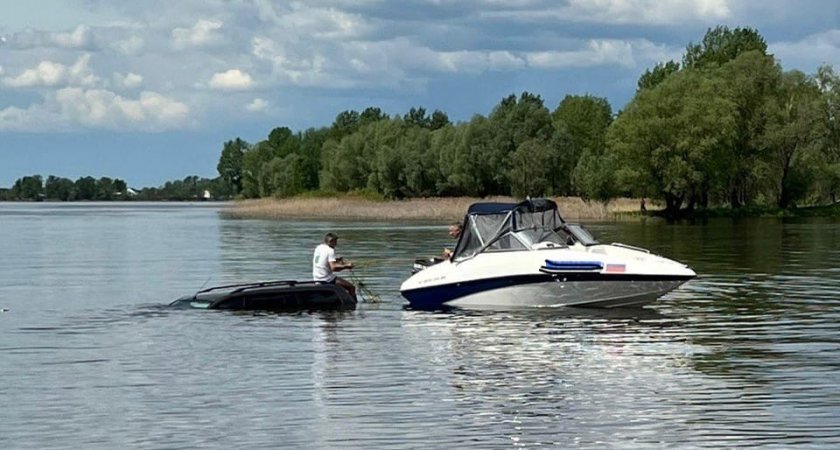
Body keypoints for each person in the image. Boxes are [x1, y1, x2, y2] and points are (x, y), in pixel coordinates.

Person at [312, 232, 357, 301]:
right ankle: (353, 306)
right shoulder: (330, 250)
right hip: (326, 279)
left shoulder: (319, 247)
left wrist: (336, 260)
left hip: (316, 278)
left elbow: (323, 260)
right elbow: (333, 268)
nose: (336, 244)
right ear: (331, 241)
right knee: (351, 287)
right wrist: (347, 266)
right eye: (335, 241)